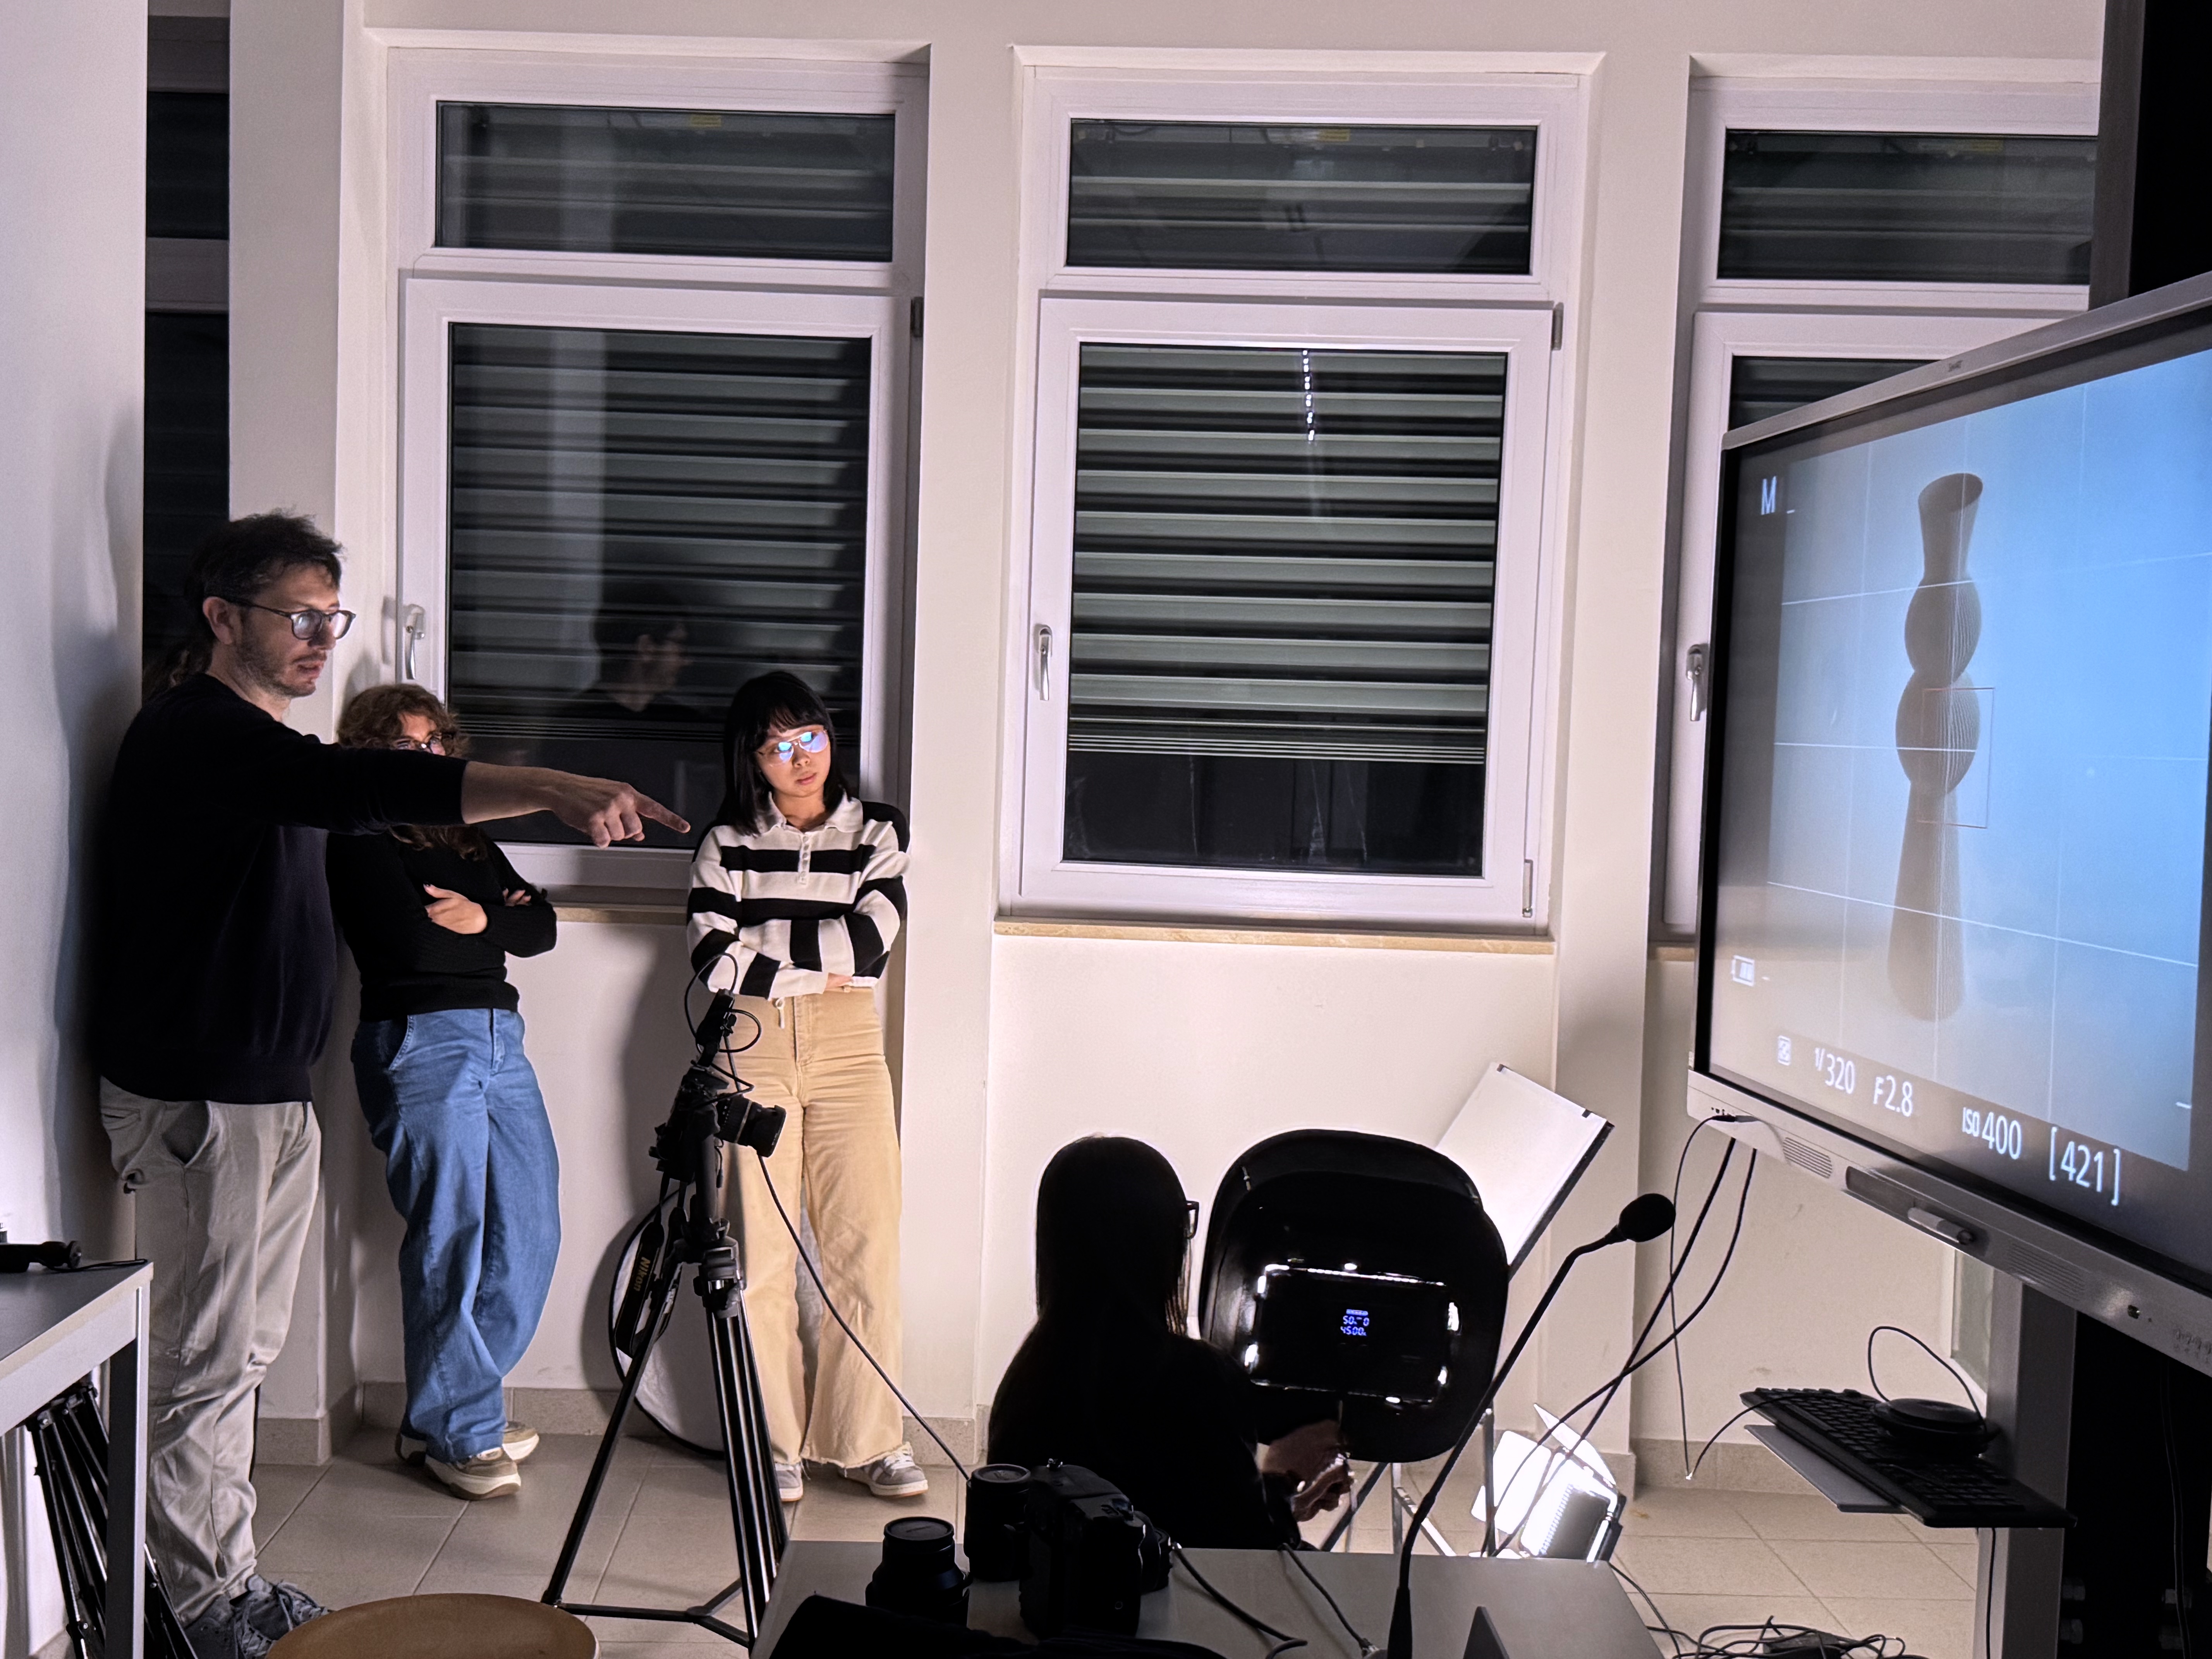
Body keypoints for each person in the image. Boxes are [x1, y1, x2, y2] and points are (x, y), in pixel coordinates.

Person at [94, 512, 685, 1659]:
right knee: (205, 1361)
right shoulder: (198, 731)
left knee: (242, 1358)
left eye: (334, 618)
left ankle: (226, 1586)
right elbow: (356, 790)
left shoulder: (261, 754)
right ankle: (194, 1610)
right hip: (202, 1094)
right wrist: (548, 785)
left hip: (268, 1092)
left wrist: (500, 885)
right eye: (299, 616)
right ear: (223, 619)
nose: (321, 637)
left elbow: (517, 916)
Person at [685, 671, 922, 1504]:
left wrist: (765, 943)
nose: (800, 758)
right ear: (751, 760)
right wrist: (810, 967)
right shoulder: (725, 841)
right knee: (761, 1252)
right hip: (751, 1047)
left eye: (810, 736)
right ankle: (774, 1443)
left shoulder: (878, 829)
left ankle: (869, 1441)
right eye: (778, 746)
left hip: (851, 1048)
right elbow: (712, 963)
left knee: (867, 1245)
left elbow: (871, 943)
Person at [328, 685, 561, 1503]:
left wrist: (482, 916)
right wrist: (492, 915)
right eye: (405, 746)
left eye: (434, 745)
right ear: (369, 753)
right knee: (451, 1235)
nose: (426, 758)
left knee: (531, 1228)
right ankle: (460, 1427)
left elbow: (542, 929)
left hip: (501, 1040)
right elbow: (409, 941)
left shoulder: (466, 838)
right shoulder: (359, 835)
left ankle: (447, 1411)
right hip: (419, 1041)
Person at [988, 1137, 1353, 1549]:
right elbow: (1242, 1555)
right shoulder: (1199, 1380)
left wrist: (1285, 1497)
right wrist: (1283, 1473)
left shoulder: (1025, 1387)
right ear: (1161, 1243)